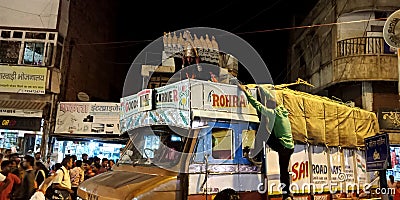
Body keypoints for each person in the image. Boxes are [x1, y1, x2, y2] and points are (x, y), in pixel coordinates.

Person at [237, 83, 294, 200]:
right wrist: (260, 88)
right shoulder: (283, 111)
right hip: (289, 147)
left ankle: (255, 155)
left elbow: (257, 105)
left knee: (264, 133)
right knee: (284, 171)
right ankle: (287, 195)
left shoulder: (272, 113)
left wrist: (246, 91)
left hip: (283, 147)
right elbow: (271, 96)